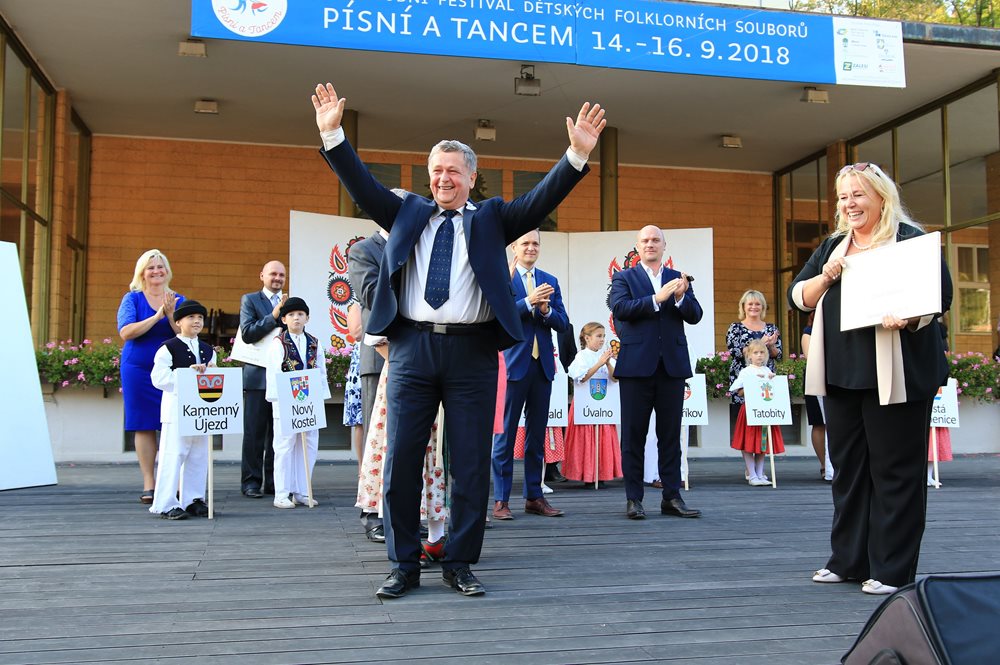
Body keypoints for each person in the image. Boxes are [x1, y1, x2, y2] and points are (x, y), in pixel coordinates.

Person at [313, 81, 605, 598]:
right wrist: (333, 135)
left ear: (472, 177)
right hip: (412, 349)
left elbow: (540, 199)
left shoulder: (492, 219)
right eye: (436, 171)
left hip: (473, 353)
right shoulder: (407, 212)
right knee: (402, 459)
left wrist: (576, 156)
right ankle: (403, 565)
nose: (443, 179)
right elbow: (361, 186)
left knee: (469, 462)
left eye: (453, 170)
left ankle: (460, 562)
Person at [789, 161, 951, 596]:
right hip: (842, 373)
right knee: (849, 470)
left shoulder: (909, 240)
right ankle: (848, 560)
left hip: (897, 374)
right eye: (843, 196)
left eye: (858, 194)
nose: (850, 203)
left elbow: (940, 295)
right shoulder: (833, 246)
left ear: (882, 196)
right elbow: (798, 297)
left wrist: (910, 316)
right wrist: (826, 275)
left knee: (895, 472)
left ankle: (893, 569)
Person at [610, 225, 703, 520]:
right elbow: (620, 309)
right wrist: (657, 298)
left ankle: (672, 497)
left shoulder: (678, 278)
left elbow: (695, 315)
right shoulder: (624, 277)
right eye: (645, 241)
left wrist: (680, 298)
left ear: (664, 245)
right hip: (636, 367)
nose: (650, 244)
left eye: (655, 240)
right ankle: (634, 499)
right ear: (638, 247)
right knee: (633, 436)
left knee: (670, 435)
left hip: (671, 367)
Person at [492, 229, 569, 519]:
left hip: (542, 367)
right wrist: (528, 302)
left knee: (537, 436)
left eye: (535, 243)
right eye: (525, 243)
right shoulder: (503, 277)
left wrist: (547, 311)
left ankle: (534, 496)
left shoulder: (550, 280)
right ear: (514, 246)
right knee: (505, 435)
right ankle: (501, 500)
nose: (531, 248)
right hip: (512, 366)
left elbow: (563, 323)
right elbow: (496, 317)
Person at [117, 249, 183, 504]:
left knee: (173, 425)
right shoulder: (132, 299)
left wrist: (170, 315)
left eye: (160, 266)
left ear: (167, 271)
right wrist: (157, 317)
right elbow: (126, 332)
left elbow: (186, 333)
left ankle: (174, 482)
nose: (156, 271)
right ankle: (149, 484)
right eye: (151, 267)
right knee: (143, 424)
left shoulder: (179, 300)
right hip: (138, 370)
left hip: (171, 371)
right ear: (142, 273)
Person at [148, 299, 215, 520]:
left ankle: (193, 499)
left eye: (200, 318)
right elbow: (159, 378)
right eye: (191, 317)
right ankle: (166, 503)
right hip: (176, 411)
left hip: (202, 411)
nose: (196, 321)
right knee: (173, 455)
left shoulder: (208, 350)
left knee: (198, 455)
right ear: (178, 322)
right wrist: (186, 375)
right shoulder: (168, 347)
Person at [347, 215, 391, 541]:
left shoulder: (417, 246)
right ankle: (372, 514)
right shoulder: (365, 250)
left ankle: (404, 512)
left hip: (419, 358)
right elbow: (373, 297)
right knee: (377, 438)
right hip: (380, 355)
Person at [265, 297, 330, 509]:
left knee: (308, 444)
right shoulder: (278, 343)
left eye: (300, 314)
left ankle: (302, 490)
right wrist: (279, 399)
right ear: (284, 319)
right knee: (285, 445)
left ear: (307, 318)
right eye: (291, 315)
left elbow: (321, 370)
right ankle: (281, 493)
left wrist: (320, 397)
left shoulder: (314, 342)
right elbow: (273, 372)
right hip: (285, 400)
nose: (296, 318)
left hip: (309, 400)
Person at [238, 261, 287, 498]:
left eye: (282, 275)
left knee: (278, 433)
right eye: (273, 274)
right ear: (262, 276)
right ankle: (251, 482)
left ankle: (274, 481)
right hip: (257, 376)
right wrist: (274, 316)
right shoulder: (250, 300)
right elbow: (248, 333)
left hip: (281, 376)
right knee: (254, 432)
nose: (277, 278)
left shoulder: (289, 302)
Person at [562, 322, 623, 485]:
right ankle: (586, 475)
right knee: (586, 439)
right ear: (587, 338)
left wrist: (608, 363)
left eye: (603, 336)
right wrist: (599, 363)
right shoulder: (582, 356)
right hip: (585, 407)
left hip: (603, 407)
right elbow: (581, 377)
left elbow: (615, 378)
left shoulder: (604, 357)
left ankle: (602, 474)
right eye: (598, 336)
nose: (602, 339)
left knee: (603, 439)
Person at [728, 339, 785, 486]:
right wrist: (753, 382)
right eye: (755, 352)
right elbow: (739, 392)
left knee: (762, 442)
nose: (759, 355)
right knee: (748, 441)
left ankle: (760, 473)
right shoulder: (746, 372)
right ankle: (752, 474)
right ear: (749, 356)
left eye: (762, 352)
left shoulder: (767, 371)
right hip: (750, 410)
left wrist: (772, 380)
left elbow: (773, 391)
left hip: (764, 412)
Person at [726, 290, 782, 432]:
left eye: (757, 304)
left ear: (763, 307)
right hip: (744, 380)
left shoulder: (771, 328)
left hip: (765, 381)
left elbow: (778, 355)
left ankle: (762, 446)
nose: (754, 307)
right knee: (744, 423)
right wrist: (760, 343)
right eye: (750, 304)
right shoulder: (735, 328)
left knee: (764, 420)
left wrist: (771, 345)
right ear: (743, 306)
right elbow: (735, 352)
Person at [801, 314, 832, 481]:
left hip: (835, 379)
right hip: (816, 379)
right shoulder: (809, 331)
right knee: (819, 423)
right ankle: (824, 465)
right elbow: (809, 356)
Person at [343, 302, 364, 470]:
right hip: (364, 362)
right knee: (360, 420)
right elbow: (356, 333)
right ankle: (362, 469)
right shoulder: (357, 306)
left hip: (392, 357)